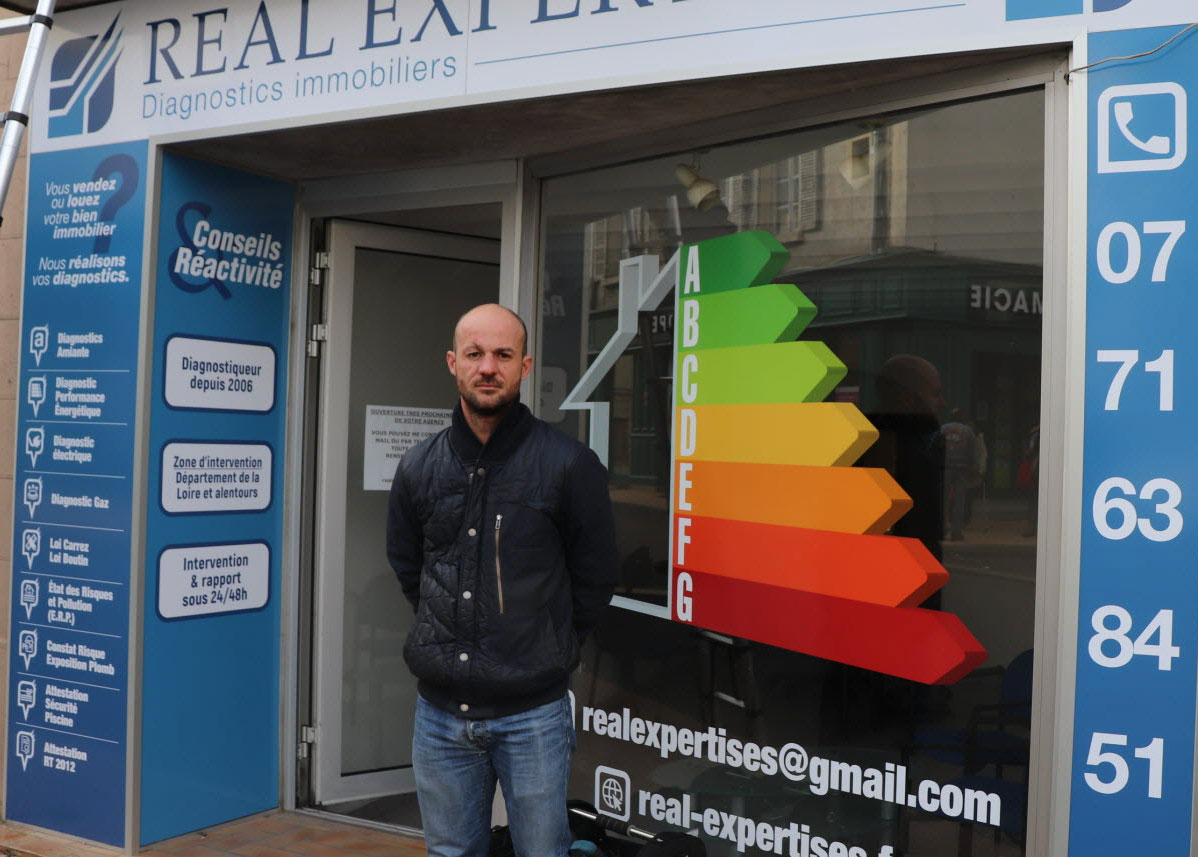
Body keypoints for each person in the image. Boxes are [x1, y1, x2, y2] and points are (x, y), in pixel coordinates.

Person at [386, 303, 619, 857]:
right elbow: (410, 567)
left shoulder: (568, 464)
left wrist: (546, 642)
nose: (487, 367)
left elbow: (595, 578)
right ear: (452, 363)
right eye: (475, 354)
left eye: (502, 355)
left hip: (532, 715)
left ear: (525, 366)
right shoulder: (419, 466)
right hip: (440, 717)